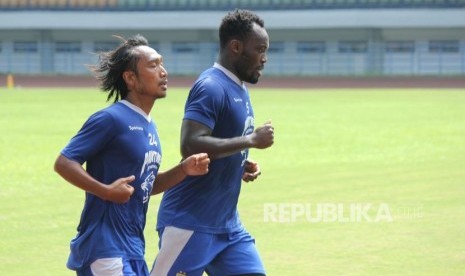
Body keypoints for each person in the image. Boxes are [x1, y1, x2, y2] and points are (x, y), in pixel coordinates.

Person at [53, 34, 210, 276]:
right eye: (153, 65)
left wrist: (183, 170)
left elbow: (144, 185)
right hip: (104, 248)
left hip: (133, 248)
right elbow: (64, 162)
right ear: (130, 78)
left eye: (162, 63)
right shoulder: (110, 119)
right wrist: (105, 191)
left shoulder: (150, 126)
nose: (163, 72)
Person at [152, 9, 274, 276]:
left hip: (227, 226)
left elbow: (217, 142)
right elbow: (191, 144)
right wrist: (250, 140)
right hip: (189, 224)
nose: (264, 59)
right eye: (260, 49)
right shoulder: (211, 86)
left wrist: (238, 161)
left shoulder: (238, 87)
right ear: (236, 47)